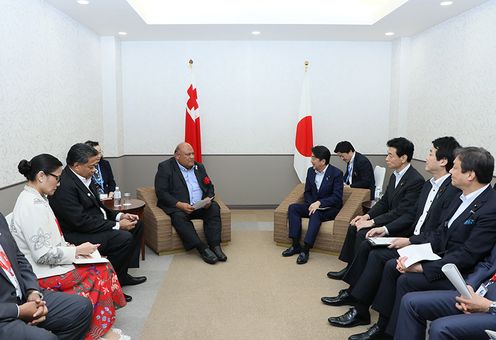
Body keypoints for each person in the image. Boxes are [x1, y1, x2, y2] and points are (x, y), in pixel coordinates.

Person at [352, 146, 496, 340]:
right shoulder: (461, 196)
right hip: (442, 257)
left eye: (456, 168)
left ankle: (388, 331)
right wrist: (413, 252)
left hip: (461, 271)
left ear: (470, 175)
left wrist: (423, 268)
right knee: (394, 265)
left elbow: (468, 254)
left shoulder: (490, 207)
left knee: (406, 279)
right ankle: (384, 326)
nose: (451, 171)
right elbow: (440, 233)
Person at [325, 137, 461, 332]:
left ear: (443, 161)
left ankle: (371, 316)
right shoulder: (430, 185)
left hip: (421, 243)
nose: (426, 157)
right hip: (413, 238)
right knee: (371, 246)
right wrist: (375, 221)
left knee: (379, 256)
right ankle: (357, 301)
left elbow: (432, 228)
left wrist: (398, 235)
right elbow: (409, 212)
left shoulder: (447, 190)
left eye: (431, 153)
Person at [11, 154, 128, 340]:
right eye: (57, 178)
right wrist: (77, 251)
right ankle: (97, 331)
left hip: (50, 264)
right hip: (40, 274)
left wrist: (74, 249)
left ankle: (99, 327)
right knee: (100, 271)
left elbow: (51, 241)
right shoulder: (31, 205)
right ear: (41, 176)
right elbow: (42, 254)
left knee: (101, 265)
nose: (59, 183)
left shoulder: (37, 199)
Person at [49, 143, 146, 296]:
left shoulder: (84, 176)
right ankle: (112, 286)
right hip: (78, 233)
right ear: (77, 165)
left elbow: (99, 207)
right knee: (123, 238)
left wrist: (120, 216)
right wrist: (116, 225)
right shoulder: (65, 186)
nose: (95, 171)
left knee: (137, 224)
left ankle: (122, 274)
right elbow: (79, 221)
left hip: (94, 224)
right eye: (92, 167)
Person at [328, 137, 424, 280]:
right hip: (390, 217)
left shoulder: (415, 180)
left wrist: (372, 222)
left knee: (362, 233)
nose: (386, 159)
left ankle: (356, 275)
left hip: (398, 225)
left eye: (390, 155)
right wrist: (367, 217)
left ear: (403, 158)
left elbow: (401, 212)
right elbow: (384, 202)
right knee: (354, 225)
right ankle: (350, 267)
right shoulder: (395, 175)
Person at [0, 212, 93, 340]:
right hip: (3, 312)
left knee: (81, 308)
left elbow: (19, 258)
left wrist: (32, 292)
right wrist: (19, 311)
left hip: (21, 296)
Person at [396, 245, 496, 339]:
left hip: (491, 307)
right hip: (481, 292)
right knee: (410, 302)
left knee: (440, 328)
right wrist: (469, 286)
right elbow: (488, 264)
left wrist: (489, 306)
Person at [155, 142, 227, 265]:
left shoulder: (199, 167)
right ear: (177, 156)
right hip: (180, 208)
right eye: (188, 154)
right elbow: (161, 192)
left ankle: (215, 246)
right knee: (178, 217)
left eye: (193, 153)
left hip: (200, 205)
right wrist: (179, 204)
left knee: (214, 207)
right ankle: (202, 248)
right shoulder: (165, 167)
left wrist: (208, 199)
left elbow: (210, 187)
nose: (192, 157)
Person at [282, 145, 343, 264]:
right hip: (312, 204)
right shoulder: (310, 171)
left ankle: (306, 249)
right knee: (293, 208)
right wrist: (312, 203)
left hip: (330, 208)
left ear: (323, 161)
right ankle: (295, 245)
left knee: (316, 214)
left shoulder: (336, 173)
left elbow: (336, 197)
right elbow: (307, 192)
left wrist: (319, 203)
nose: (311, 160)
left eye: (314, 158)